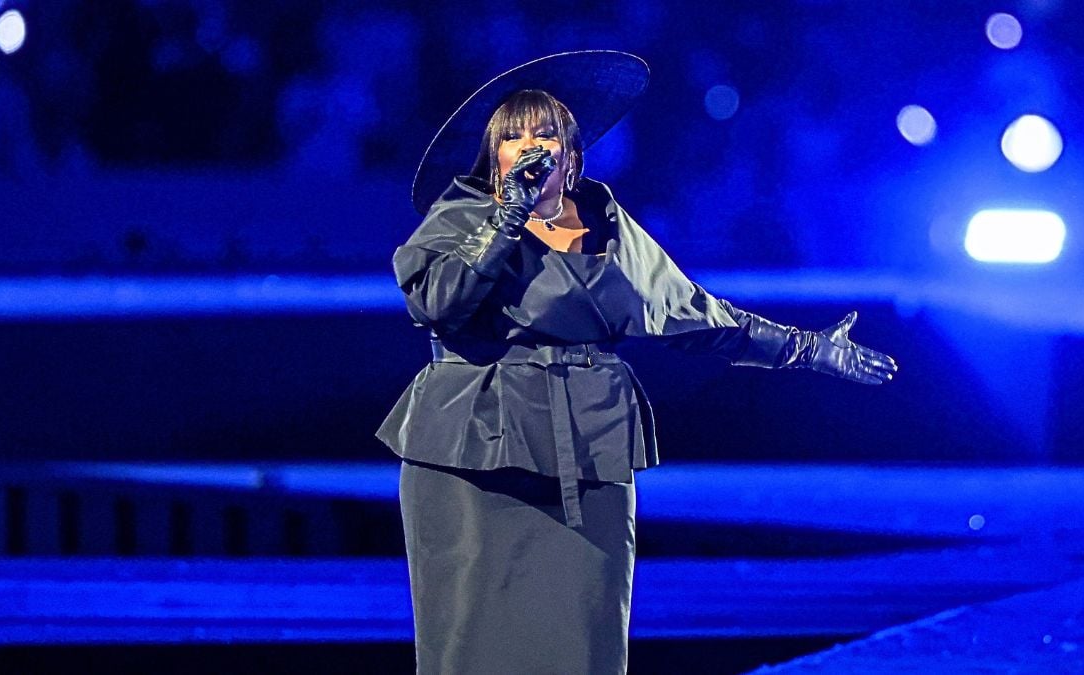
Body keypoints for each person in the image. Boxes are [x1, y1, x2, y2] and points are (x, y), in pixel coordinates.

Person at [377, 51, 897, 674]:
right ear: (493, 157)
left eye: (545, 133)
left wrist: (805, 349)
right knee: (474, 641)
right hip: (476, 452)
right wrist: (507, 218)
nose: (528, 146)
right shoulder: (461, 218)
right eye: (511, 136)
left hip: (587, 440)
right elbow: (439, 304)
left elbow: (693, 313)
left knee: (587, 634)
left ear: (571, 157)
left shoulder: (605, 222)